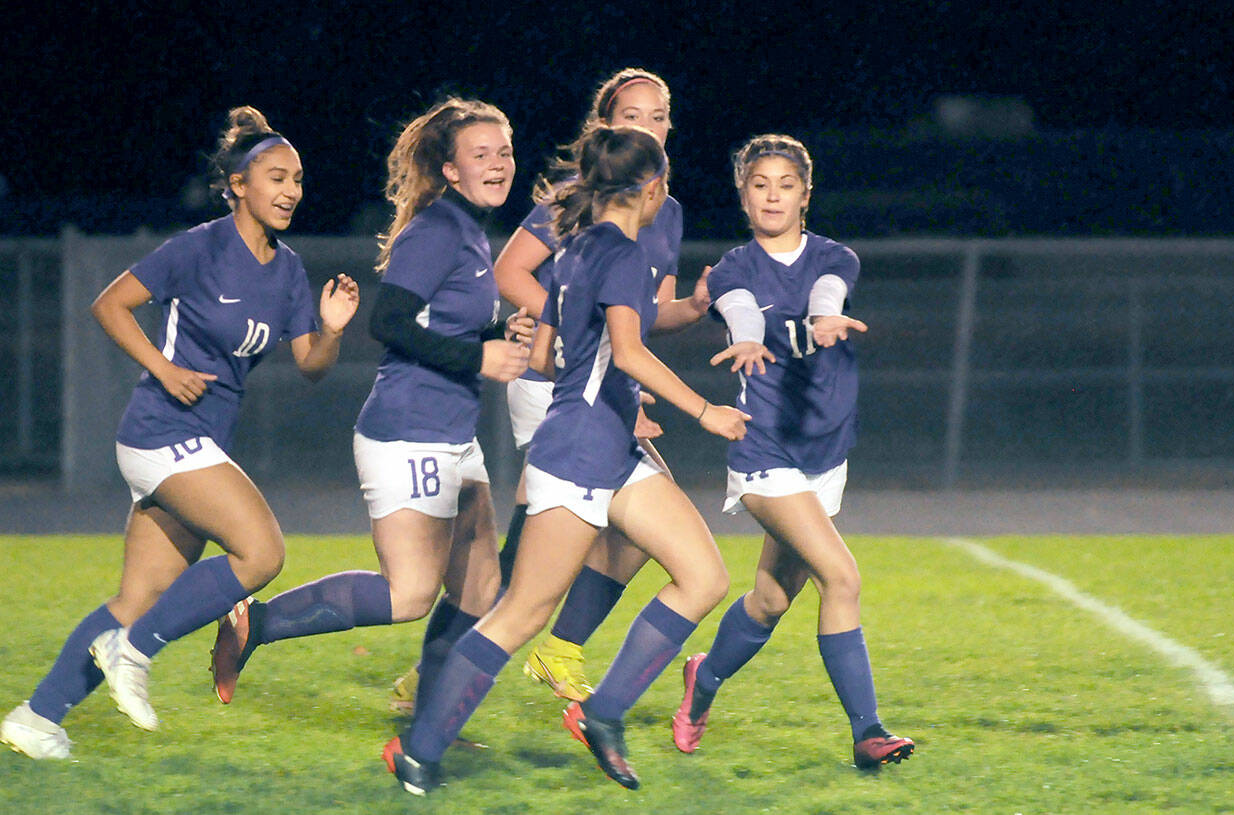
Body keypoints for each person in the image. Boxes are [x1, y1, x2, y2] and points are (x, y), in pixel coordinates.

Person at [382, 124, 747, 796]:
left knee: (703, 576)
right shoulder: (627, 254)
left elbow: (548, 355)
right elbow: (630, 352)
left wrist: (586, 368)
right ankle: (418, 749)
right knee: (520, 613)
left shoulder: (575, 249)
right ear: (652, 189)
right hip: (579, 451)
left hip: (611, 445)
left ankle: (601, 713)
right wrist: (706, 412)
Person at [0, 106, 360, 759]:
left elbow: (310, 366)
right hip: (159, 429)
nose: (290, 191)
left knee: (139, 597)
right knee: (262, 552)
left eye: (298, 179)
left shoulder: (286, 270)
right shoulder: (198, 247)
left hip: (198, 442)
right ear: (238, 185)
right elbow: (109, 303)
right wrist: (162, 367)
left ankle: (36, 715)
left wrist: (332, 329)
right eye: (275, 176)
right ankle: (133, 650)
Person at [208, 98, 534, 711]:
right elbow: (388, 321)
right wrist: (478, 358)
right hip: (408, 434)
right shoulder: (437, 229)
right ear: (450, 170)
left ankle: (426, 717)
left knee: (482, 591)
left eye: (505, 153)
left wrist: (496, 337)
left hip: (453, 435)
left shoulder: (471, 232)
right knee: (410, 596)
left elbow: (447, 328)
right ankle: (260, 622)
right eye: (480, 155)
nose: (498, 165)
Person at [669, 134, 914, 770]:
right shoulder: (730, 270)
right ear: (743, 195)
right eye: (759, 184)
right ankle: (868, 733)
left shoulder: (836, 257)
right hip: (764, 449)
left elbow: (828, 290)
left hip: (825, 453)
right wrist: (748, 339)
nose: (772, 194)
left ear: (806, 193)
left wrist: (826, 318)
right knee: (842, 577)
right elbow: (742, 310)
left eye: (785, 184)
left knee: (772, 600)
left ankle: (705, 680)